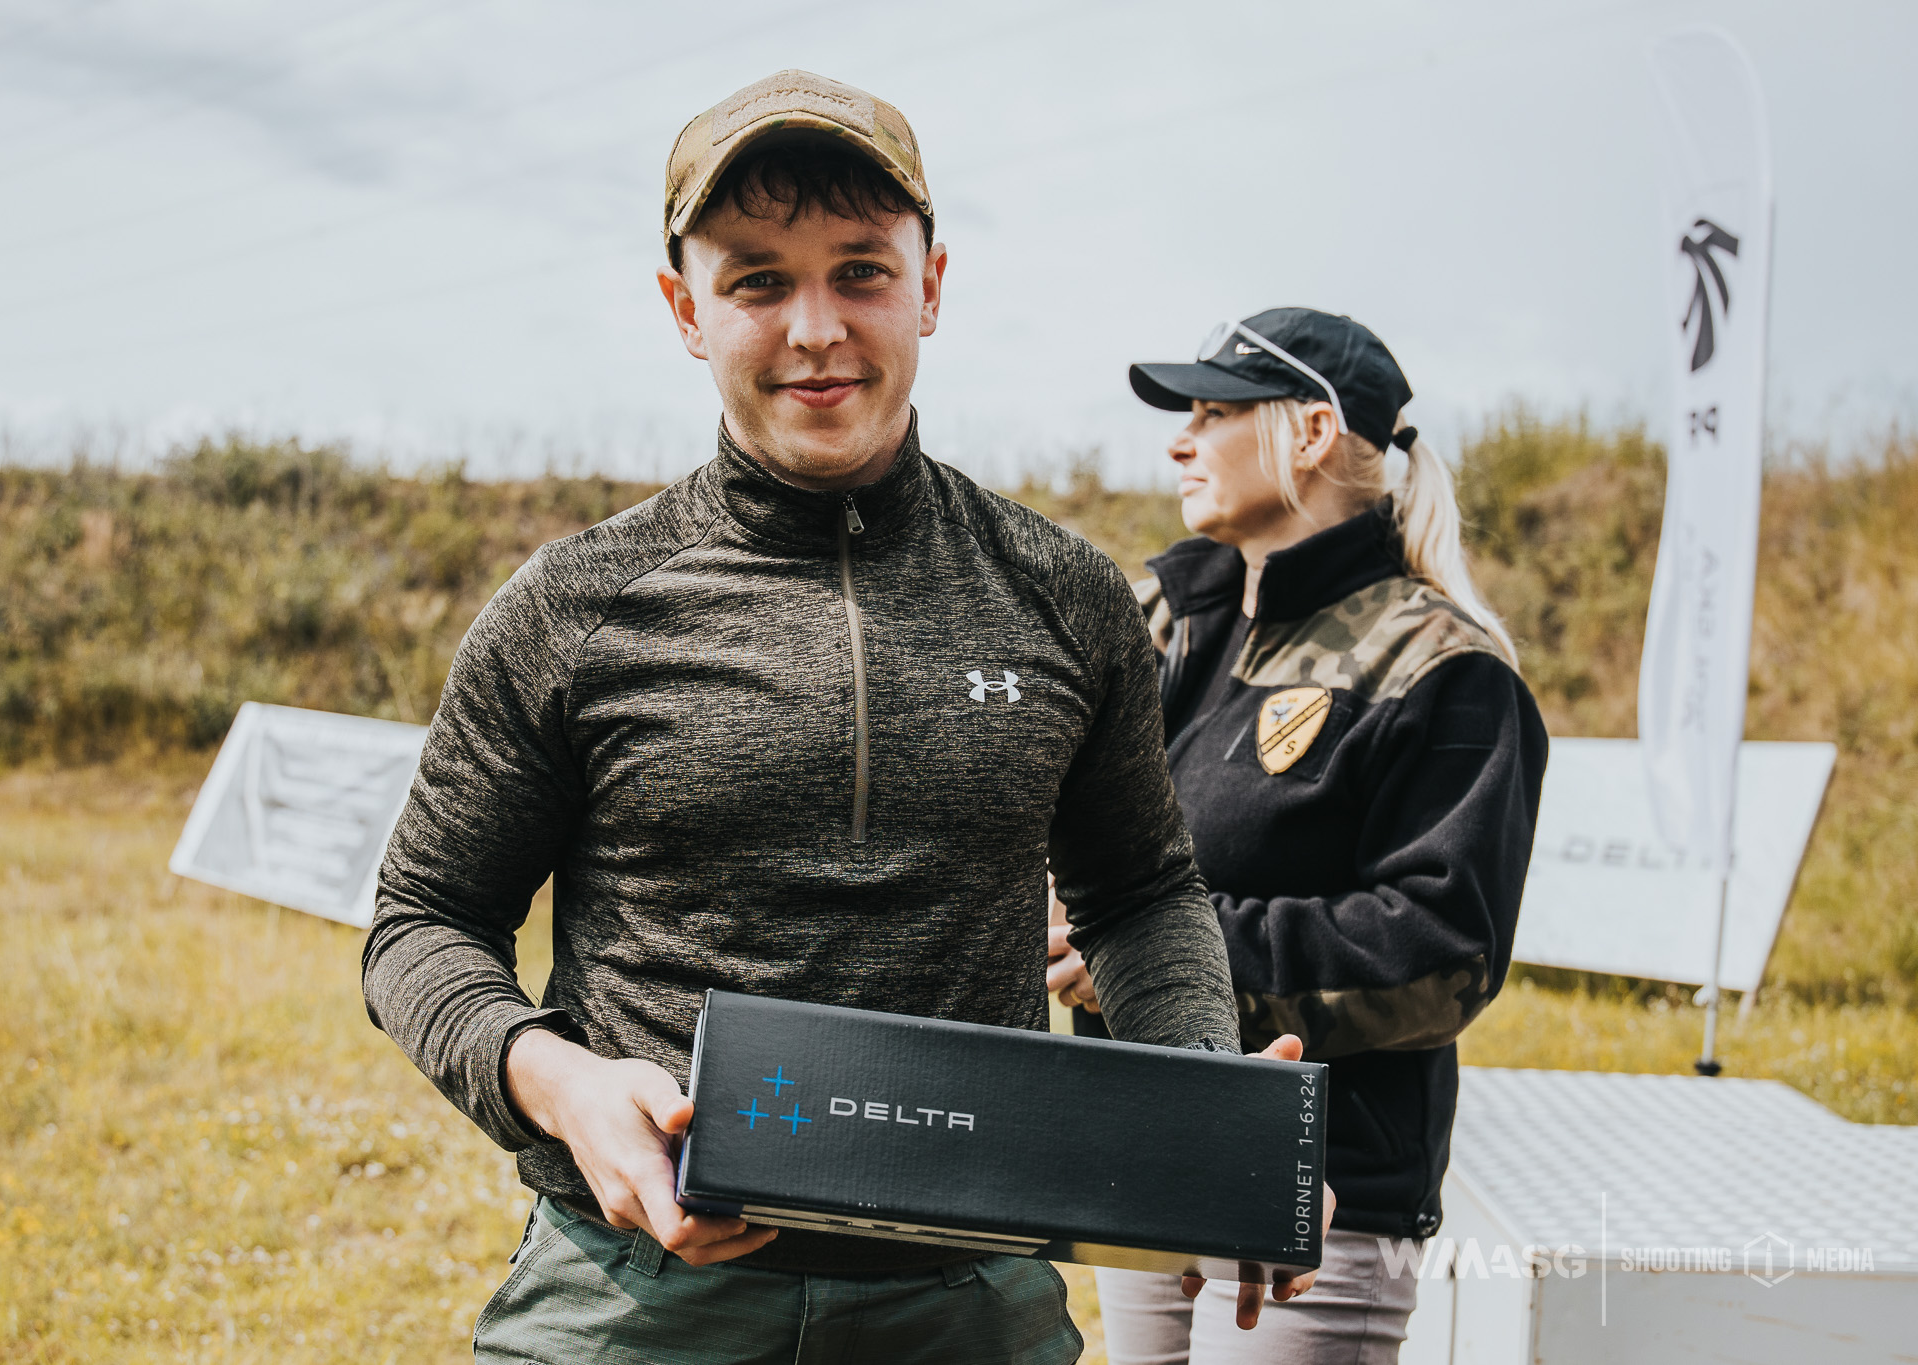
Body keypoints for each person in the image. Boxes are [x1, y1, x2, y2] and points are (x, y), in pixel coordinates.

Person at [363, 73, 1323, 1364]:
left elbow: (1141, 893)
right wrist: (562, 1084)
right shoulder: (573, 608)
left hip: (968, 1292)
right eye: (757, 281)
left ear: (931, 285)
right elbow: (421, 923)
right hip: (635, 1292)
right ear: (685, 310)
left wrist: (1204, 1105)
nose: (815, 330)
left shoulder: (1064, 596)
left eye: (860, 272)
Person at [1047, 309, 1548, 1364]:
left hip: (1323, 1188)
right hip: (1142, 1148)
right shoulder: (1169, 623)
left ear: (1311, 433)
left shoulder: (1446, 670)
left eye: (1212, 413)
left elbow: (1441, 952)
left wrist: (1154, 955)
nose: (1180, 441)